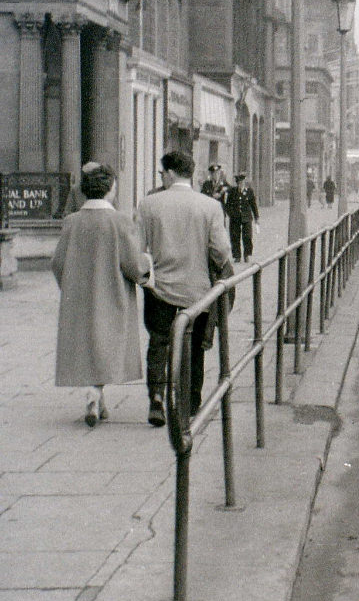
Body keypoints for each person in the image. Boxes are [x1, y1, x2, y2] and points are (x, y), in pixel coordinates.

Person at [137, 150, 234, 424]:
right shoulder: (210, 207)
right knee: (194, 348)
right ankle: (191, 401)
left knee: (159, 342)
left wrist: (146, 277)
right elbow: (222, 251)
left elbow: (137, 251)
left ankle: (157, 397)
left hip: (160, 290)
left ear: (169, 173)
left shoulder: (148, 204)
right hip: (198, 292)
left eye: (162, 174)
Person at [51, 164, 151, 426]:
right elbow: (132, 263)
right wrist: (146, 269)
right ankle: (94, 393)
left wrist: (69, 287)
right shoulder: (120, 221)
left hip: (80, 298)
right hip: (112, 294)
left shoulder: (72, 222)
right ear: (110, 189)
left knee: (89, 347)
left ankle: (97, 398)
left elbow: (58, 262)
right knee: (108, 347)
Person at [224, 173, 260, 262]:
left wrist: (256, 217)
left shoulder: (249, 191)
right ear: (237, 183)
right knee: (235, 236)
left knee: (247, 236)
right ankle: (237, 256)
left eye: (243, 182)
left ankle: (247, 254)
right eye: (240, 182)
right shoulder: (232, 191)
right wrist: (231, 214)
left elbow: (253, 205)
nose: (241, 184)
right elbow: (228, 205)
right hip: (235, 218)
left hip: (246, 217)